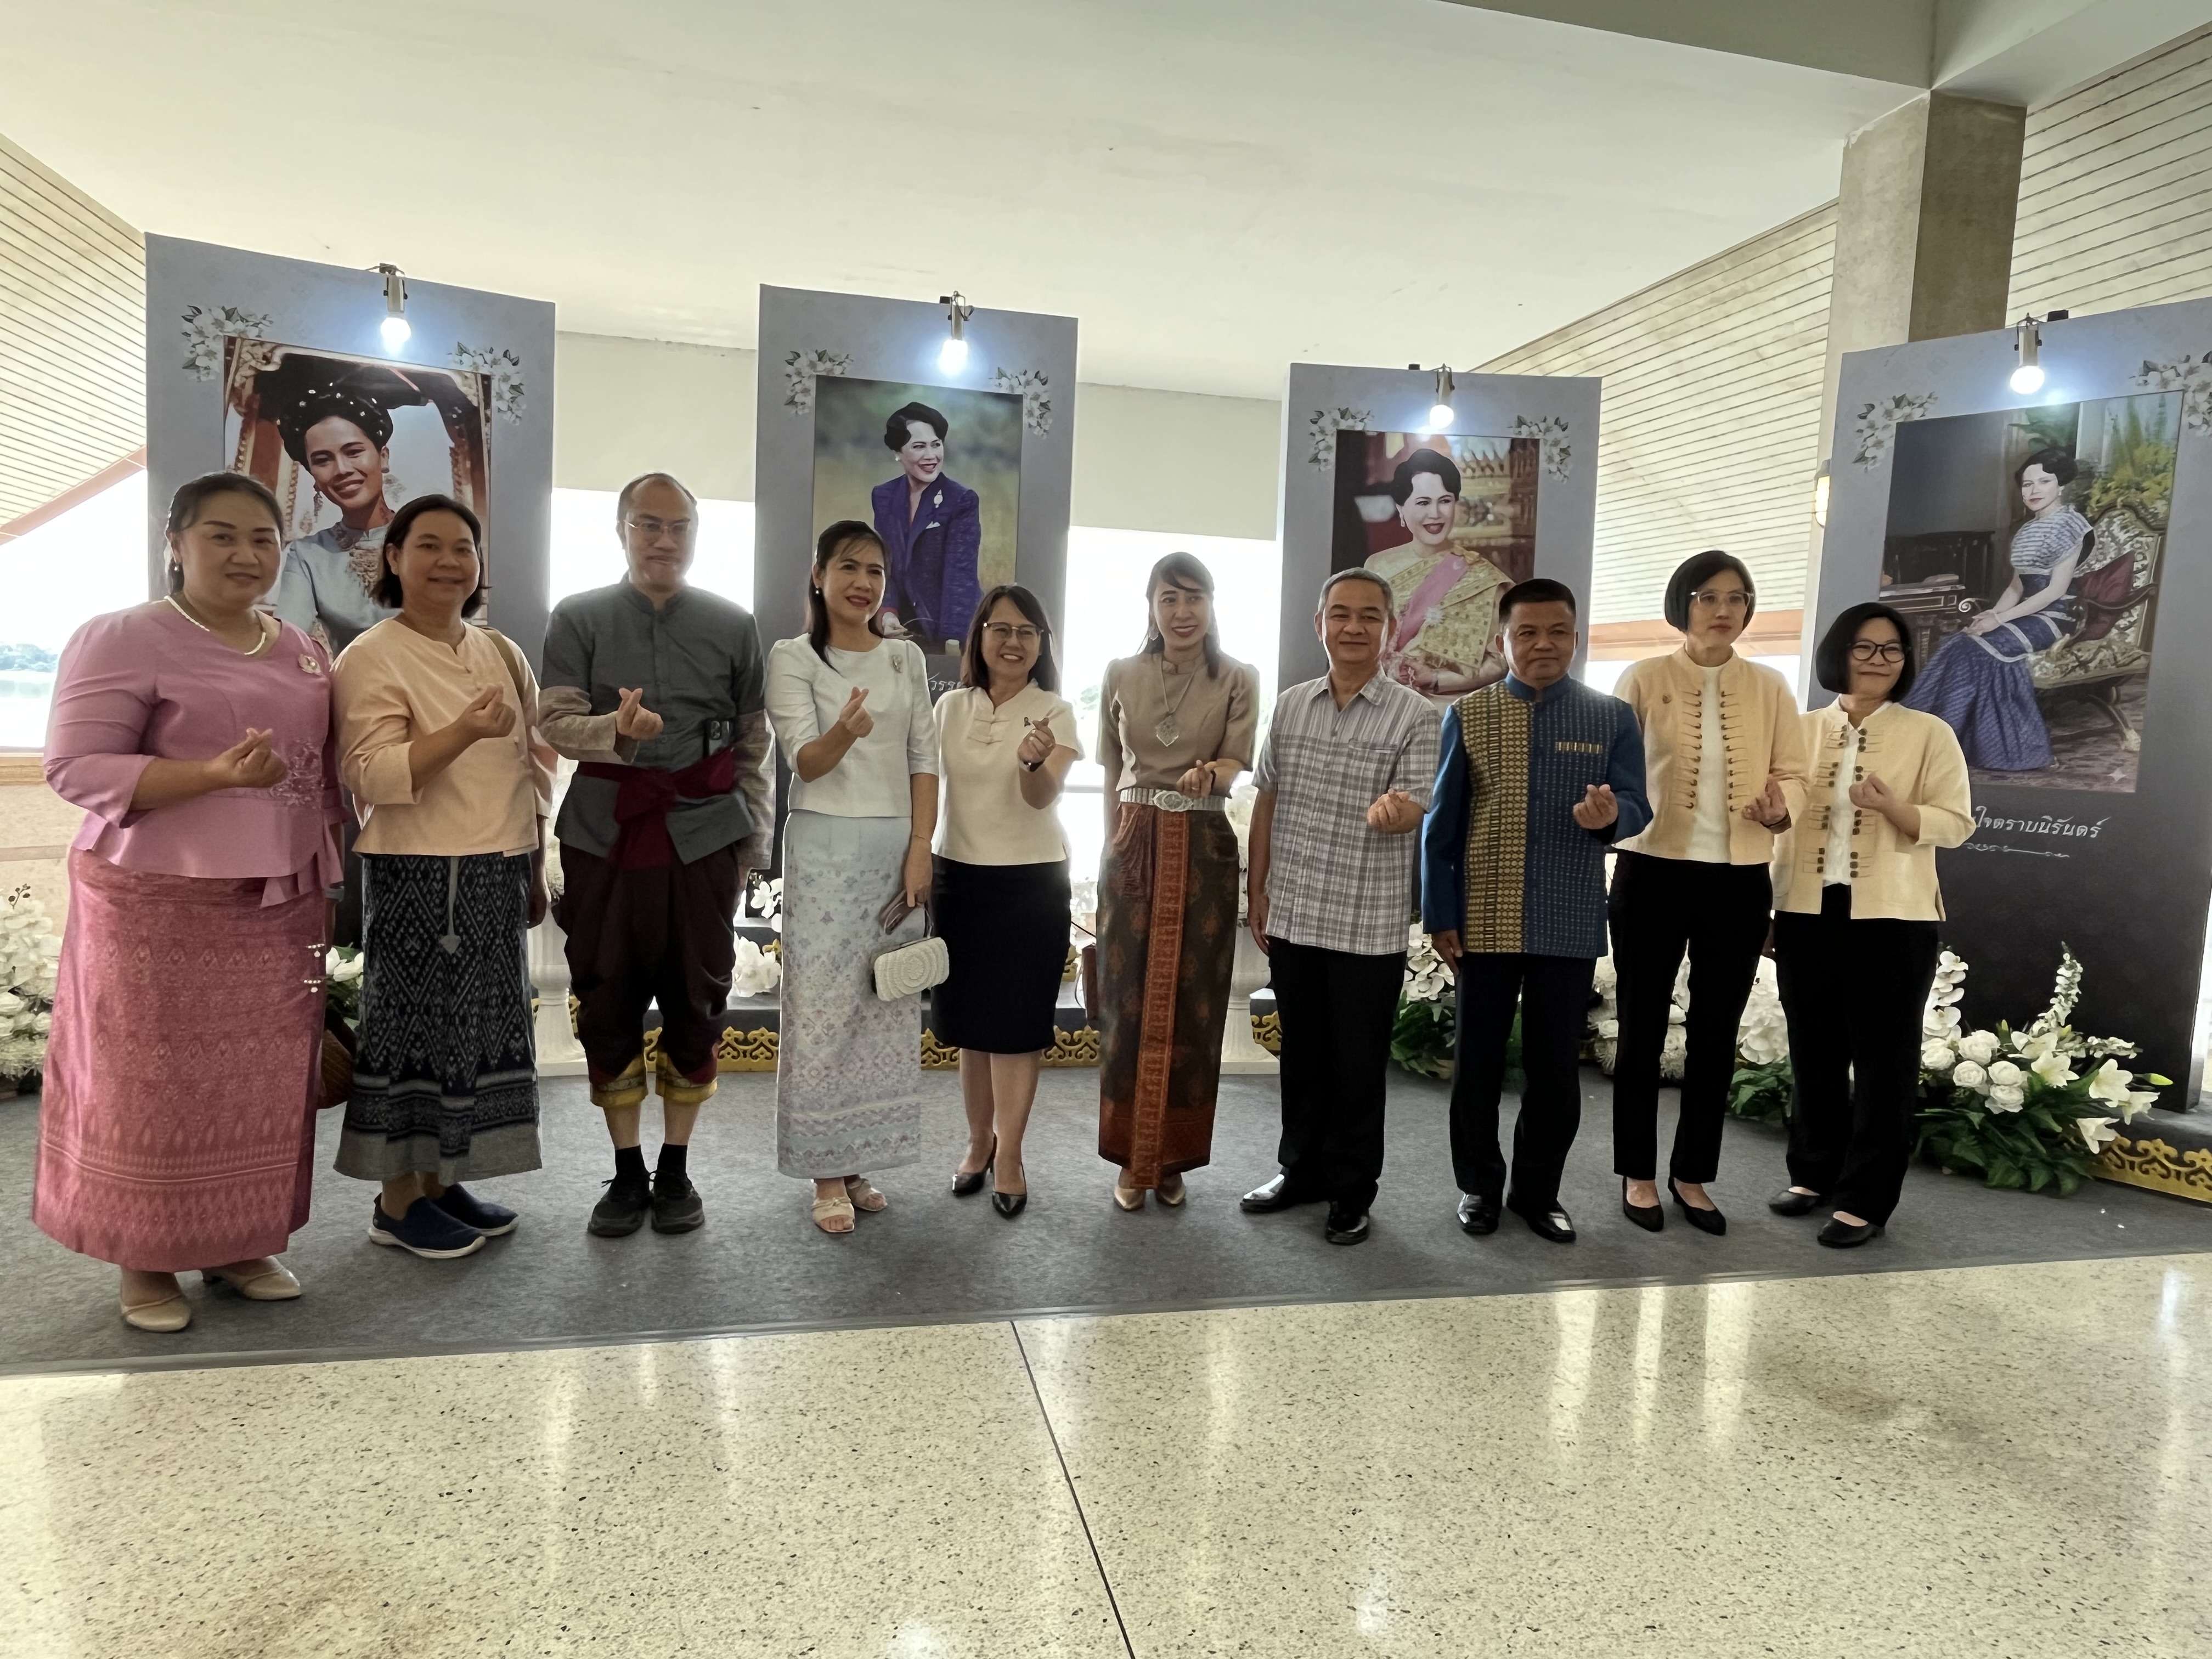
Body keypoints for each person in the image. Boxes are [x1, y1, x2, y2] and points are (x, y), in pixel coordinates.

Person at [34, 472, 343, 1331]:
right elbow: (75, 767)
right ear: (175, 541)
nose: (247, 555)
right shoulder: (123, 636)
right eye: (222, 536)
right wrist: (211, 775)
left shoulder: (298, 647)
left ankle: (240, 1242)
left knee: (260, 1079)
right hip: (153, 898)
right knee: (152, 1079)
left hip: (276, 900)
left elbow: (317, 774)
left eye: (263, 539)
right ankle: (145, 1260)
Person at [539, 473, 774, 1238]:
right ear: (621, 530)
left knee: (697, 999)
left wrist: (753, 846)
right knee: (606, 997)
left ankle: (675, 1169)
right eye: (648, 525)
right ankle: (627, 1170)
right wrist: (616, 730)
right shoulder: (578, 617)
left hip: (705, 835)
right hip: (605, 833)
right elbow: (555, 723)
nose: (663, 540)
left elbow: (751, 745)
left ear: (696, 537)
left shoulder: (735, 625)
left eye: (678, 528)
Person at [331, 493, 552, 1259]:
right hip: (419, 870)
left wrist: (534, 858)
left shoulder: (501, 651)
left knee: (474, 1035)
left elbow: (534, 761)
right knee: (413, 1032)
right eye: (428, 546)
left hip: (496, 865)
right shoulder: (371, 655)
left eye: (463, 548)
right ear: (393, 558)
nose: (449, 563)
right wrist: (460, 732)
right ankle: (395, 1202)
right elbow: (368, 775)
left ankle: (435, 1179)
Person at [1421, 578, 1649, 1244]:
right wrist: (1441, 915)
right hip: (1483, 918)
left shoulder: (1611, 718)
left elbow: (1639, 805)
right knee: (1479, 1066)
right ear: (1503, 640)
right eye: (1527, 632)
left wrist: (1613, 816)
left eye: (1557, 632)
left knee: (1555, 1071)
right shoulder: (1469, 715)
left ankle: (1537, 1192)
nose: (1542, 644)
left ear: (1576, 639)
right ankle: (1479, 1188)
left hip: (1569, 918)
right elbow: (1443, 828)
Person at [1239, 569, 1440, 1245]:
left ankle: (1352, 1191)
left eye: (1370, 617)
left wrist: (1398, 811)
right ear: (1318, 623)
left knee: (1357, 1067)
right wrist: (1256, 889)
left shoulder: (1416, 713)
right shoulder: (1292, 704)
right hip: (1294, 911)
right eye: (1341, 615)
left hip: (1367, 921)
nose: (1354, 628)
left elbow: (1417, 802)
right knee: (1301, 1059)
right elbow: (1267, 798)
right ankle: (1300, 1172)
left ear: (1390, 628)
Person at [1609, 551, 1807, 1235]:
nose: (1724, 610)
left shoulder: (1772, 687)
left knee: (1714, 1034)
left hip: (1739, 877)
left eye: (1737, 597)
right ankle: (1637, 1172)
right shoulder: (1643, 676)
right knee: (1640, 1029)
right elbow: (1617, 772)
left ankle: (1692, 1174)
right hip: (1651, 870)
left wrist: (1783, 808)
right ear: (1683, 605)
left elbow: (1796, 773)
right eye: (1708, 597)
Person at [1771, 604, 1972, 1246]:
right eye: (1865, 647)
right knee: (1814, 1051)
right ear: (1840, 653)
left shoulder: (1930, 733)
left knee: (1885, 1063)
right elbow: (1776, 818)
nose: (1880, 660)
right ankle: (1812, 1174)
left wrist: (1894, 807)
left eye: (1893, 650)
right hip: (1805, 909)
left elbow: (1956, 823)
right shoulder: (1798, 729)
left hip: (1893, 917)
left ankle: (1865, 1198)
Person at [765, 521, 939, 1235]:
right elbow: (803, 760)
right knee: (824, 1007)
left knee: (882, 1005)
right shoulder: (792, 656)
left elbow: (925, 756)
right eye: (848, 568)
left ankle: (861, 1155)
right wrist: (847, 732)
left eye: (874, 571)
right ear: (819, 575)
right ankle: (825, 1170)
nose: (863, 583)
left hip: (895, 847)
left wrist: (922, 845)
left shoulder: (905, 660)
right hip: (825, 848)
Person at [1097, 552, 1259, 1210]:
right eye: (1169, 599)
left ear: (1212, 604)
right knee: (1125, 1001)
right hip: (1134, 843)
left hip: (1202, 843)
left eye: (1194, 598)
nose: (1182, 612)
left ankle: (1173, 1160)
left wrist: (1209, 774)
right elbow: (1112, 769)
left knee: (1196, 1001)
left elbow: (1236, 762)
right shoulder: (1120, 673)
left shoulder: (1238, 677)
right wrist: (1111, 841)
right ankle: (1130, 1156)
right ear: (1151, 607)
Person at [933, 585, 1082, 1219]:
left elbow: (1042, 800)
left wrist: (1031, 764)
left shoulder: (1056, 712)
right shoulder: (949, 707)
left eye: (1028, 631)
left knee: (1016, 1030)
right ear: (981, 637)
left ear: (1042, 643)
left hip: (1030, 884)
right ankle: (977, 1145)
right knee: (969, 1026)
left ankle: (1013, 1155)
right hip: (957, 878)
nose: (1014, 641)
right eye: (1001, 629)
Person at [1905, 448, 2091, 770]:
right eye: (2027, 484)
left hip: (2058, 616)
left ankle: (2003, 748)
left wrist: (2001, 620)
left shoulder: (2073, 525)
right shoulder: (2026, 530)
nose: (2033, 491)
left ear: (2061, 485)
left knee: (1985, 649)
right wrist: (1991, 615)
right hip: (2024, 612)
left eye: (2043, 482)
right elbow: (2017, 587)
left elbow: (2054, 591)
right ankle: (1931, 740)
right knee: (1958, 643)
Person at [269, 377, 403, 652]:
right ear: (314, 478)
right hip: (351, 690)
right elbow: (290, 643)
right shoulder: (308, 555)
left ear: (384, 457)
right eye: (322, 460)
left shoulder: (426, 538)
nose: (341, 469)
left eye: (354, 452)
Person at [1365, 448, 1511, 699]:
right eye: (1423, 503)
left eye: (1445, 501)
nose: (1435, 514)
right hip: (1382, 702)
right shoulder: (1378, 566)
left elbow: (1502, 658)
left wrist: (1436, 679)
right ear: (1401, 509)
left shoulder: (1484, 578)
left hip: (1450, 709)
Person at [871, 400, 983, 652]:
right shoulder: (884, 496)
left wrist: (952, 643)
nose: (931, 456)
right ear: (898, 452)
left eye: (937, 444)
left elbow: (960, 577)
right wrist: (888, 613)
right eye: (919, 446)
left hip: (949, 629)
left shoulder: (961, 500)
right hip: (902, 627)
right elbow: (885, 564)